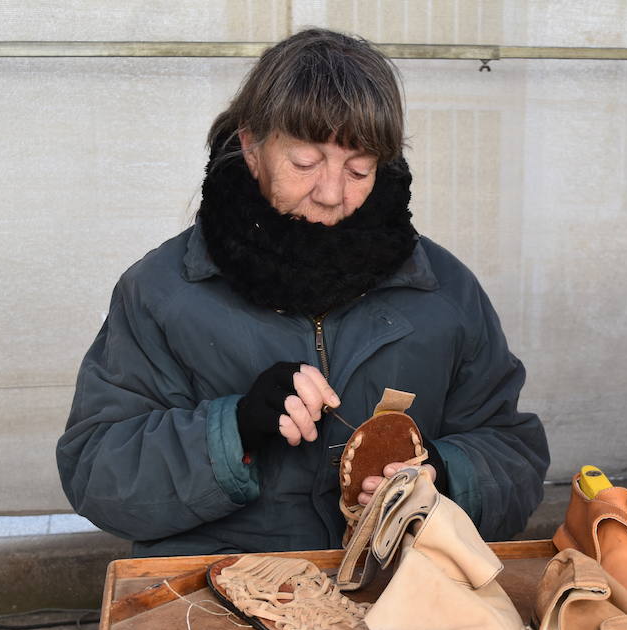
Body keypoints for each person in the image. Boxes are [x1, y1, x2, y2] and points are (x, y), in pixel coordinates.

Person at [57, 28, 548, 557]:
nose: (333, 193)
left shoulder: (444, 291)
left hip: (401, 587)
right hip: (216, 592)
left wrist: (444, 475)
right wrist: (235, 429)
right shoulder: (162, 291)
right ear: (251, 147)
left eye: (359, 168)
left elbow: (512, 455)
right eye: (305, 163)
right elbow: (97, 474)